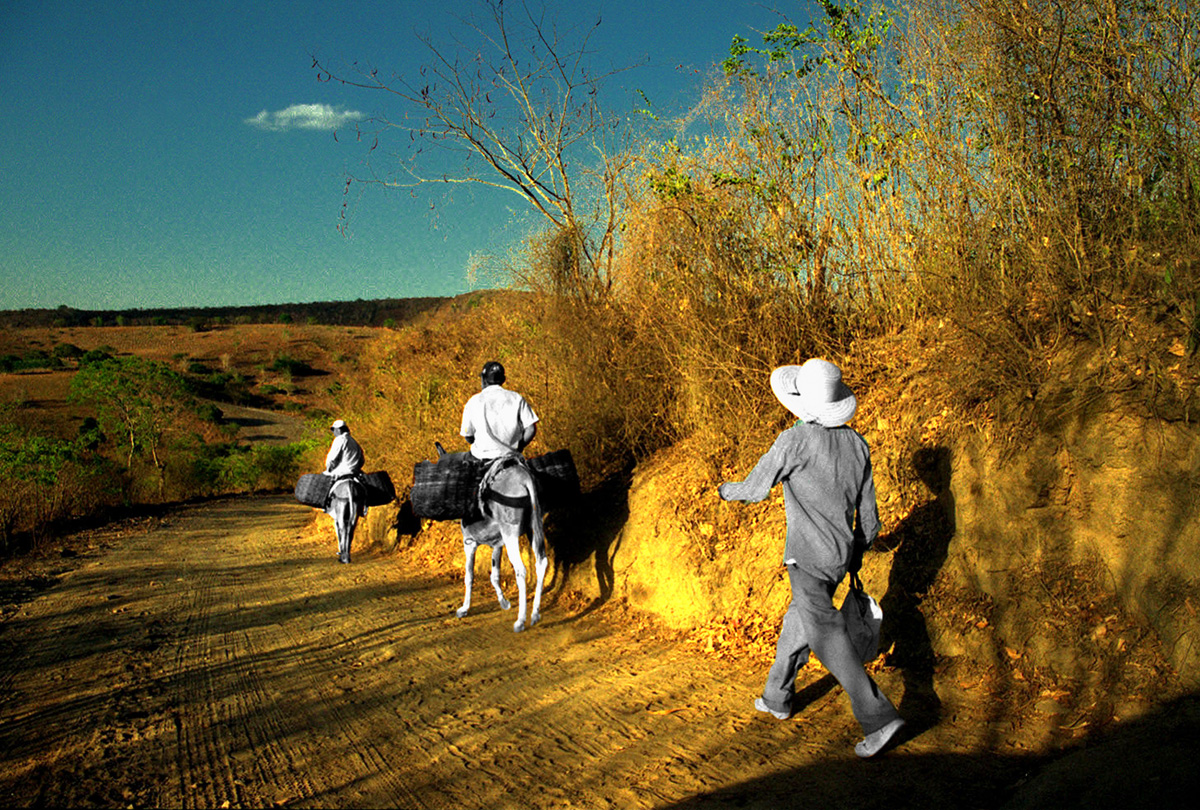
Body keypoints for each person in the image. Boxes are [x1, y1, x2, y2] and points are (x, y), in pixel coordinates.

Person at [717, 358, 905, 759]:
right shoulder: (858, 444)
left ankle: (878, 717)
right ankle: (777, 696)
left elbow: (754, 489)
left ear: (800, 402)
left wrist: (724, 490)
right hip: (839, 560)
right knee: (799, 622)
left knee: (822, 631)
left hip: (805, 559)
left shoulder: (793, 440)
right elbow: (869, 520)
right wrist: (855, 552)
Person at [460, 361, 539, 461]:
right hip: (511, 456)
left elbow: (468, 436)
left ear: (483, 380)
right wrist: (519, 447)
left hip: (481, 457)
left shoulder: (473, 401)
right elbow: (531, 429)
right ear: (503, 380)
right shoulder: (516, 398)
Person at [324, 419, 366, 563]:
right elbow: (361, 460)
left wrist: (329, 468)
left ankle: (343, 553)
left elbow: (331, 459)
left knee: (340, 522)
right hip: (355, 476)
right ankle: (364, 507)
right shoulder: (355, 442)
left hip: (341, 475)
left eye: (334, 430)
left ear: (339, 430)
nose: (333, 432)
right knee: (352, 522)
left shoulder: (339, 440)